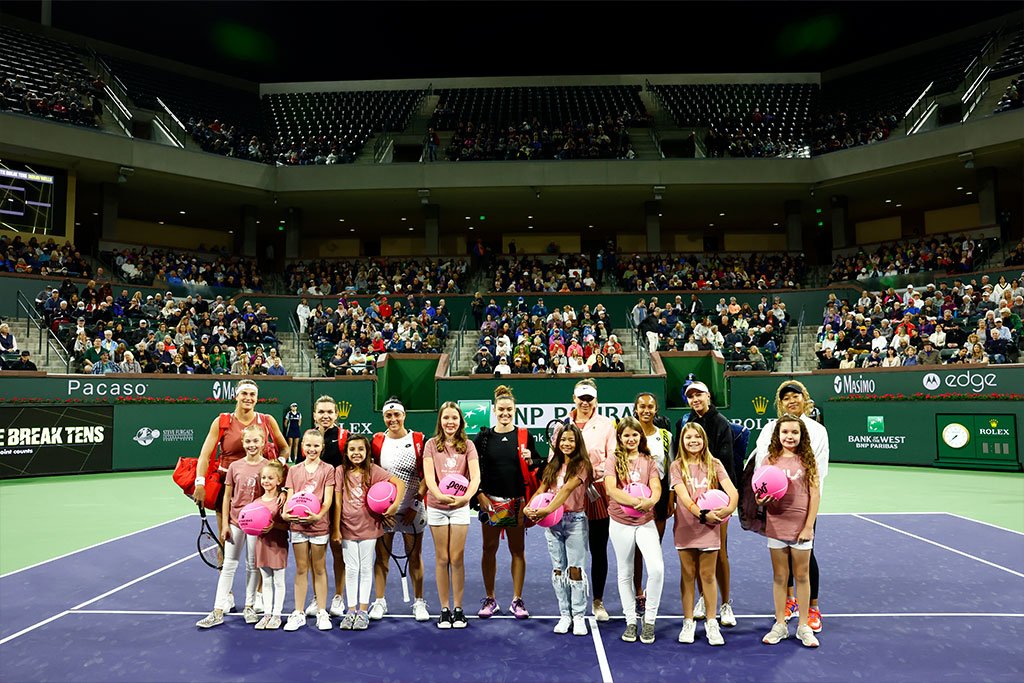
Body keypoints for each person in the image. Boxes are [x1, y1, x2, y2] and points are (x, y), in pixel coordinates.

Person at [752, 380, 830, 634]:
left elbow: (818, 474)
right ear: (780, 403)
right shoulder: (769, 429)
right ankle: (788, 602)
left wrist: (809, 514)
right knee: (781, 562)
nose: (791, 400)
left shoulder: (818, 431)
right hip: (775, 508)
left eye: (796, 396)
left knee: (807, 559)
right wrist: (762, 494)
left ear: (805, 398)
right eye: (786, 398)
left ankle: (813, 608)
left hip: (802, 506)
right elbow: (762, 469)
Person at [473, 385, 543, 619]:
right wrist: (480, 494)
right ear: (494, 410)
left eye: (509, 409)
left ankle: (517, 600)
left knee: (517, 551)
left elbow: (537, 467)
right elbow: (476, 470)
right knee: (488, 549)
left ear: (515, 410)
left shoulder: (524, 436)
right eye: (501, 409)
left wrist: (531, 458)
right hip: (489, 501)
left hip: (517, 503)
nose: (505, 413)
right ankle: (490, 598)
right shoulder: (483, 437)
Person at [674, 380, 737, 627]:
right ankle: (702, 598)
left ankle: (725, 604)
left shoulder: (721, 424)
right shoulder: (685, 423)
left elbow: (727, 466)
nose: (695, 399)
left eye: (699, 394)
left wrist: (724, 506)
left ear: (708, 395)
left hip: (717, 503)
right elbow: (677, 462)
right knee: (697, 554)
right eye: (690, 396)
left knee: (719, 553)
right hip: (692, 506)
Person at [196, 424, 269, 628]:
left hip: (256, 525)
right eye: (248, 441)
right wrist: (225, 525)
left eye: (256, 441)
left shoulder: (268, 466)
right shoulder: (235, 467)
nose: (252, 444)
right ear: (243, 443)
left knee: (253, 565)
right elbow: (227, 497)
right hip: (236, 522)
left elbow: (270, 496)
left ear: (263, 442)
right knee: (229, 564)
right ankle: (218, 610)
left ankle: (250, 606)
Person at [756, 417, 821, 648]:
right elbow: (759, 495)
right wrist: (762, 500)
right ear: (778, 434)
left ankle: (803, 626)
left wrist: (808, 526)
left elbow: (815, 495)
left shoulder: (808, 461)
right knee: (780, 576)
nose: (790, 436)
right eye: (785, 431)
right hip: (776, 525)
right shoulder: (769, 460)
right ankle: (781, 625)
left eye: (795, 432)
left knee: (802, 576)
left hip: (800, 527)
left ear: (802, 435)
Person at [556, 378, 617, 621]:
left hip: (596, 493)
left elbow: (612, 457)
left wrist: (590, 472)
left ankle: (598, 601)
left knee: (598, 549)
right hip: (568, 495)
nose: (585, 402)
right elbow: (555, 459)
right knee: (571, 552)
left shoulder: (606, 425)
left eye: (589, 398)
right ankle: (571, 603)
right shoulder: (563, 425)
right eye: (581, 398)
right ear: (574, 398)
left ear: (596, 400)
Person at [331, 435, 405, 630]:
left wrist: (394, 506)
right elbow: (338, 502)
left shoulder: (373, 470)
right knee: (351, 569)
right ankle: (350, 610)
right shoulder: (340, 472)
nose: (356, 453)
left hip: (369, 528)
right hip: (347, 529)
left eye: (360, 449)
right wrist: (336, 529)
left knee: (365, 569)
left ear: (367, 452)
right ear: (346, 452)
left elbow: (400, 484)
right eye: (352, 449)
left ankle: (362, 611)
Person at [525, 423, 592, 636]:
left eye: (571, 440)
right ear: (557, 442)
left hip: (575, 522)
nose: (567, 443)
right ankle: (565, 615)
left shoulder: (582, 464)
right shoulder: (552, 464)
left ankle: (579, 616)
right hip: (552, 524)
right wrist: (529, 506)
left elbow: (565, 491)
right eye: (563, 440)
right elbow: (543, 488)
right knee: (558, 569)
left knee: (575, 569)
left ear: (578, 442)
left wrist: (544, 510)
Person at [368, 397, 430, 622]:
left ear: (404, 416)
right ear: (384, 417)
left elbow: (426, 475)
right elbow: (372, 476)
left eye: (397, 415)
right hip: (385, 513)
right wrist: (381, 510)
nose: (393, 419)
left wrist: (415, 503)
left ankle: (419, 601)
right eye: (388, 415)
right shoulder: (376, 441)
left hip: (413, 509)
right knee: (381, 558)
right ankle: (379, 601)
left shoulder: (418, 439)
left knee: (415, 557)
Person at [604, 416, 664, 644]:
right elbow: (611, 488)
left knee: (656, 569)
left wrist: (651, 501)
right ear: (620, 437)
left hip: (645, 522)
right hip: (619, 522)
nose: (631, 439)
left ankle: (649, 621)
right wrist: (634, 501)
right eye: (626, 435)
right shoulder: (613, 460)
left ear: (641, 437)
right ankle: (631, 621)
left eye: (635, 434)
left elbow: (655, 487)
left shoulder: (649, 460)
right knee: (625, 573)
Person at [423, 402, 481, 629]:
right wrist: (439, 495)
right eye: (446, 418)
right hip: (437, 507)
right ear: (440, 421)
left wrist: (465, 498)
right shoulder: (430, 445)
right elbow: (429, 477)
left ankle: (458, 609)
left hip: (460, 506)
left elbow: (475, 477)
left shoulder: (468, 446)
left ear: (460, 421)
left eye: (454, 418)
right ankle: (444, 610)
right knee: (442, 558)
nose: (450, 422)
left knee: (456, 558)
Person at [282, 429, 335, 632]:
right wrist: (286, 514)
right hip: (297, 525)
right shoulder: (294, 471)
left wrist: (319, 516)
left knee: (319, 568)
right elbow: (290, 497)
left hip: (319, 526)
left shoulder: (328, 469)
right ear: (302, 445)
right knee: (301, 569)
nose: (312, 449)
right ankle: (298, 612)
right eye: (308, 445)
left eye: (316, 445)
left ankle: (322, 611)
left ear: (322, 447)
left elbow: (328, 499)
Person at [632, 392, 672, 615]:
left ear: (656, 410)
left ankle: (650, 593)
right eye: (642, 406)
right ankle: (638, 593)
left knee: (653, 549)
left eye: (651, 406)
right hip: (634, 499)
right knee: (636, 550)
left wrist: (671, 499)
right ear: (635, 409)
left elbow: (672, 467)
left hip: (660, 497)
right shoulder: (628, 434)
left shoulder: (665, 436)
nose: (646, 410)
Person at [253, 460, 289, 630]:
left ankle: (277, 614)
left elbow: (287, 525)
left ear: (279, 480)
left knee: (279, 582)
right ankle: (267, 614)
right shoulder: (256, 502)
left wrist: (274, 526)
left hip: (278, 544)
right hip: (261, 545)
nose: (266, 481)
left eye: (270, 478)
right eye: (264, 478)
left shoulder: (282, 501)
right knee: (266, 581)